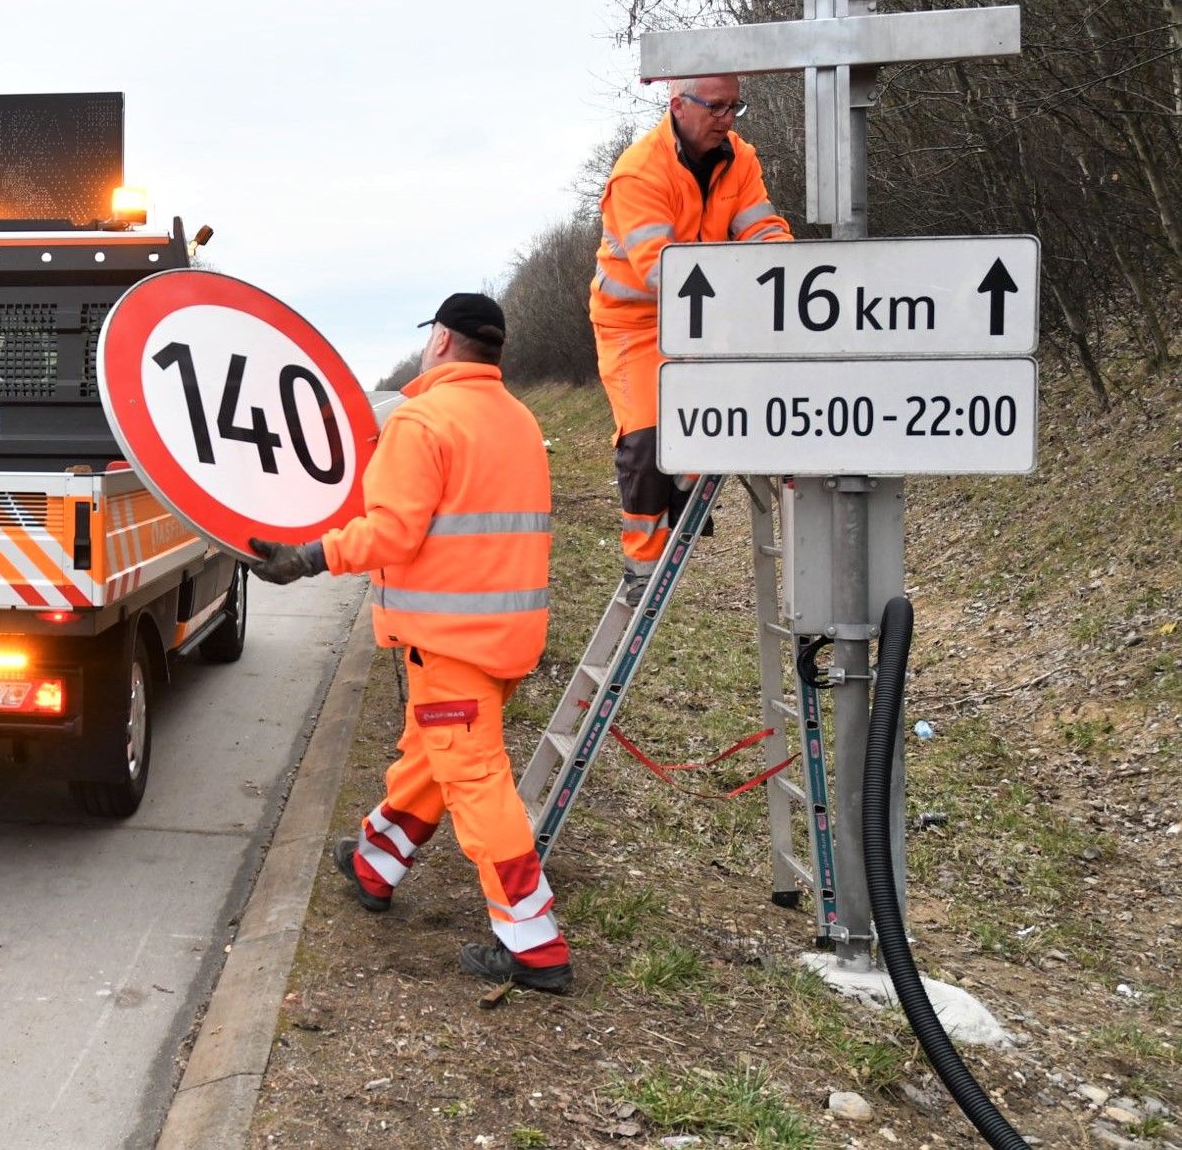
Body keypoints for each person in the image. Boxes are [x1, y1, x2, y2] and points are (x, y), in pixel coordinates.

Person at [248, 293, 570, 992]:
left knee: (476, 784)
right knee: (430, 758)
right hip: (508, 638)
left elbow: (391, 533)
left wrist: (305, 558)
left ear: (442, 342)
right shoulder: (517, 419)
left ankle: (533, 943)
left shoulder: (424, 419)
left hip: (448, 639)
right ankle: (374, 862)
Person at [594, 74, 792, 604]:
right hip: (634, 324)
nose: (727, 118)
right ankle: (641, 564)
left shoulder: (740, 158)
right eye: (718, 107)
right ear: (678, 105)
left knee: (715, 425)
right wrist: (740, 297)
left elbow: (760, 226)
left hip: (707, 316)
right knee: (645, 440)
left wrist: (791, 276)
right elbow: (661, 270)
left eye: (735, 107)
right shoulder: (638, 172)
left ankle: (681, 503)